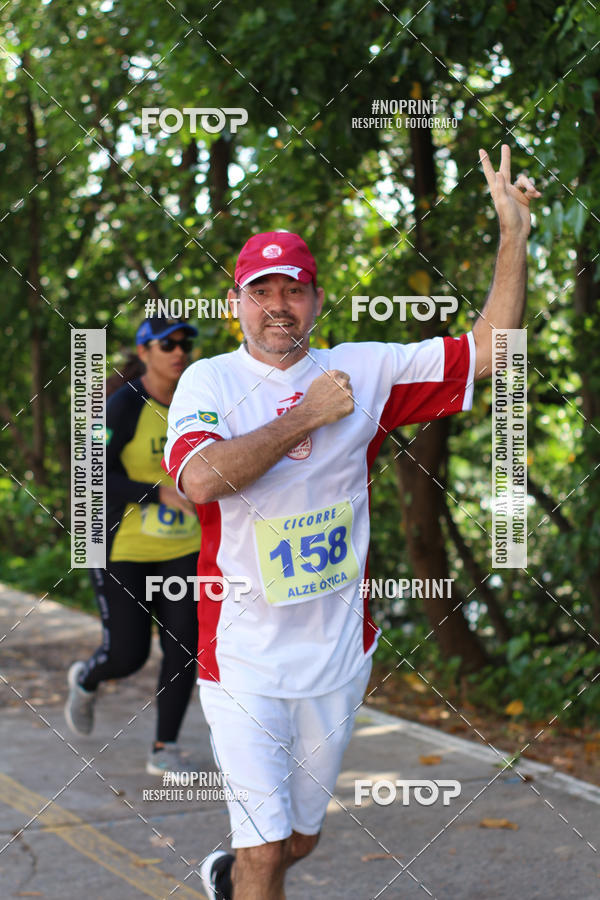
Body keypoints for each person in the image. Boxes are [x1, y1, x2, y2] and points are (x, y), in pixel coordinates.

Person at [161, 146, 540, 899]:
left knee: (298, 838)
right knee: (268, 850)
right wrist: (305, 414)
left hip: (335, 654)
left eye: (292, 290)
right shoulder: (211, 380)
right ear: (236, 302)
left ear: (316, 300)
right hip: (243, 658)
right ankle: (248, 869)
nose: (277, 305)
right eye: (260, 290)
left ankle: (229, 874)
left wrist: (513, 236)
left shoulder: (363, 371)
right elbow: (200, 479)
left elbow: (491, 351)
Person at [65, 315, 203, 776]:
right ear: (144, 353)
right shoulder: (123, 406)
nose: (179, 351)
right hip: (120, 546)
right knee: (128, 654)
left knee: (184, 647)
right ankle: (87, 678)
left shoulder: (200, 401)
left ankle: (165, 747)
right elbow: (89, 475)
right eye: (167, 344)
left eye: (186, 342)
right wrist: (157, 491)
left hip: (184, 547)